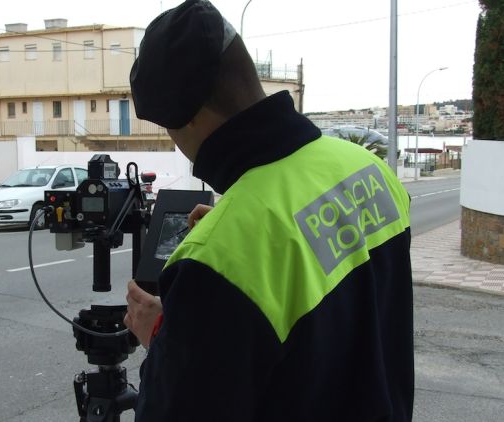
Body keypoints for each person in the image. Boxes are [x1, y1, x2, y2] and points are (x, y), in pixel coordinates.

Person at [123, 1, 414, 420]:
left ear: (185, 117)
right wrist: (239, 228)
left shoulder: (216, 263)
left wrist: (161, 332)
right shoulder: (370, 169)